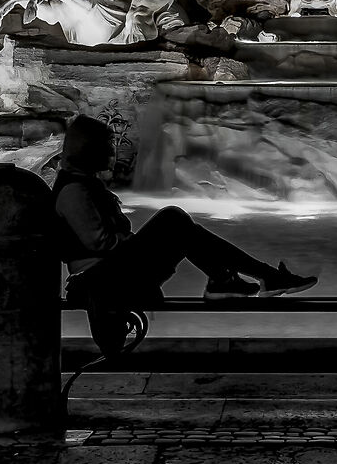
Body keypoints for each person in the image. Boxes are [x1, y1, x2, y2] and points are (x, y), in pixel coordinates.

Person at [52, 118, 316, 356]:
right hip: (102, 280)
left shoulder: (83, 185)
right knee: (172, 219)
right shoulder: (74, 191)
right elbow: (99, 243)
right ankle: (240, 278)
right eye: (107, 144)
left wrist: (139, 242)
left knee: (178, 225)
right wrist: (141, 242)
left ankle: (233, 279)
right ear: (89, 148)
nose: (113, 150)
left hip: (111, 274)